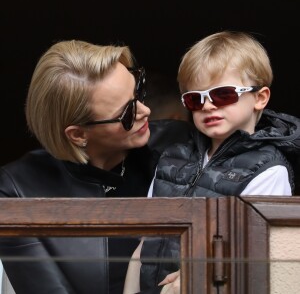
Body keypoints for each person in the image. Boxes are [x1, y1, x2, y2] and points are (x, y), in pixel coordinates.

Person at [0, 39, 194, 294]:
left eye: (138, 92)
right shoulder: (16, 190)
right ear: (78, 135)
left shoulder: (182, 145)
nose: (146, 111)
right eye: (127, 114)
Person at [124, 31, 300, 293]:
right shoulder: (171, 159)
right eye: (195, 98)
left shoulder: (269, 170)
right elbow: (144, 244)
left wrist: (195, 276)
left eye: (223, 94)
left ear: (260, 97)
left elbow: (254, 256)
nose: (207, 106)